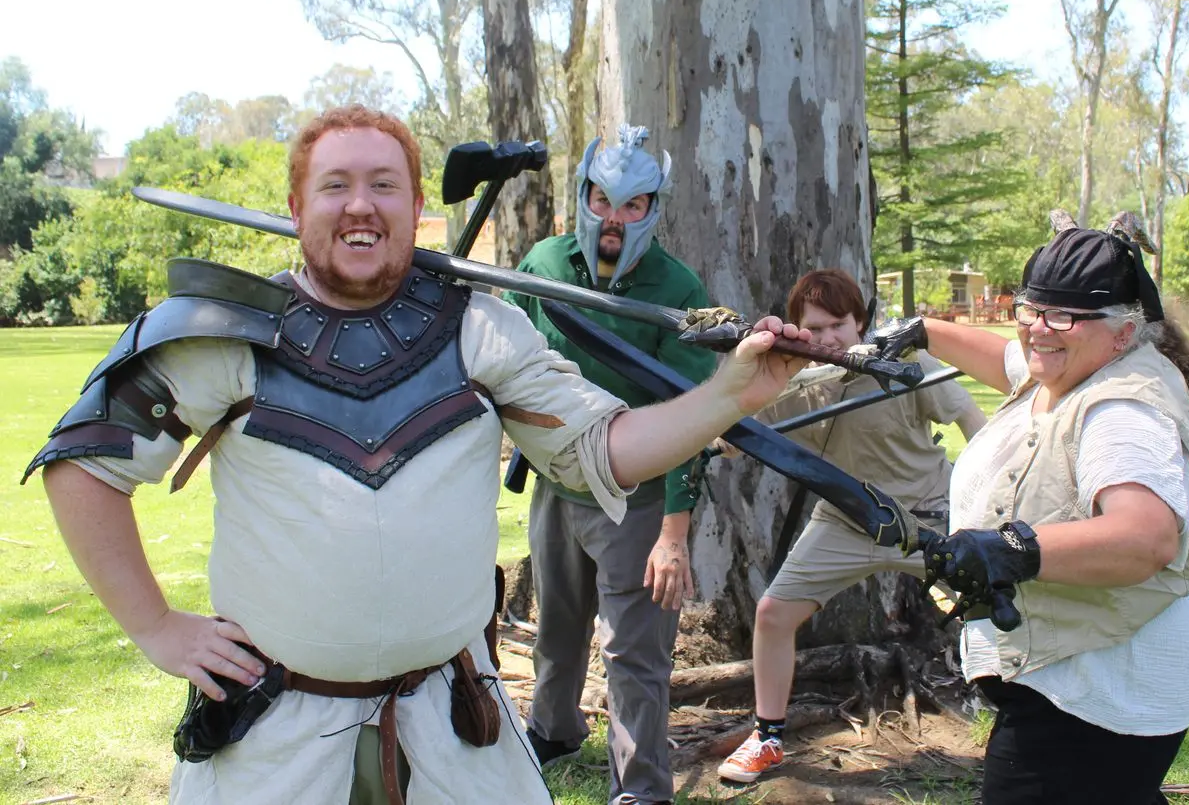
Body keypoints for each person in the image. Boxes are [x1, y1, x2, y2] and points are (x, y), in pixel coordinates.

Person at [25, 106, 811, 805]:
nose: (360, 204)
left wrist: (728, 397)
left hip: (449, 724)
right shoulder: (225, 336)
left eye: (383, 185)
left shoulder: (484, 330)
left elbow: (601, 447)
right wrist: (159, 627)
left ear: (414, 208)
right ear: (297, 208)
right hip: (272, 734)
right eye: (335, 186)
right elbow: (85, 464)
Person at [865, 217, 1189, 805]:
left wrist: (1010, 548)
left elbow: (1147, 538)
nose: (1038, 330)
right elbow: (1011, 358)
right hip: (1082, 663)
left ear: (1124, 331)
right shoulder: (1071, 367)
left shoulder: (1123, 412)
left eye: (1062, 317)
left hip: (1103, 681)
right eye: (1029, 309)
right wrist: (920, 331)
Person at [501, 125, 711, 805]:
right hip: (557, 486)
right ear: (581, 197)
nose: (612, 220)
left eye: (631, 205)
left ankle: (642, 786)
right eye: (600, 200)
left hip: (639, 499)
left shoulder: (677, 288)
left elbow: (691, 416)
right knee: (556, 629)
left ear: (653, 208)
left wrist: (673, 536)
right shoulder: (540, 265)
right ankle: (553, 729)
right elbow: (496, 357)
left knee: (633, 653)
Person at [717, 269, 987, 784]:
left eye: (837, 325)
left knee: (1000, 607)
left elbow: (974, 426)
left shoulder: (905, 360)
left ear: (860, 322)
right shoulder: (796, 378)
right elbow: (731, 432)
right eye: (813, 328)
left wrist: (988, 509)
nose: (826, 339)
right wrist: (710, 438)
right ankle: (768, 737)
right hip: (844, 519)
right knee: (773, 614)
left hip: (927, 517)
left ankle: (1026, 726)